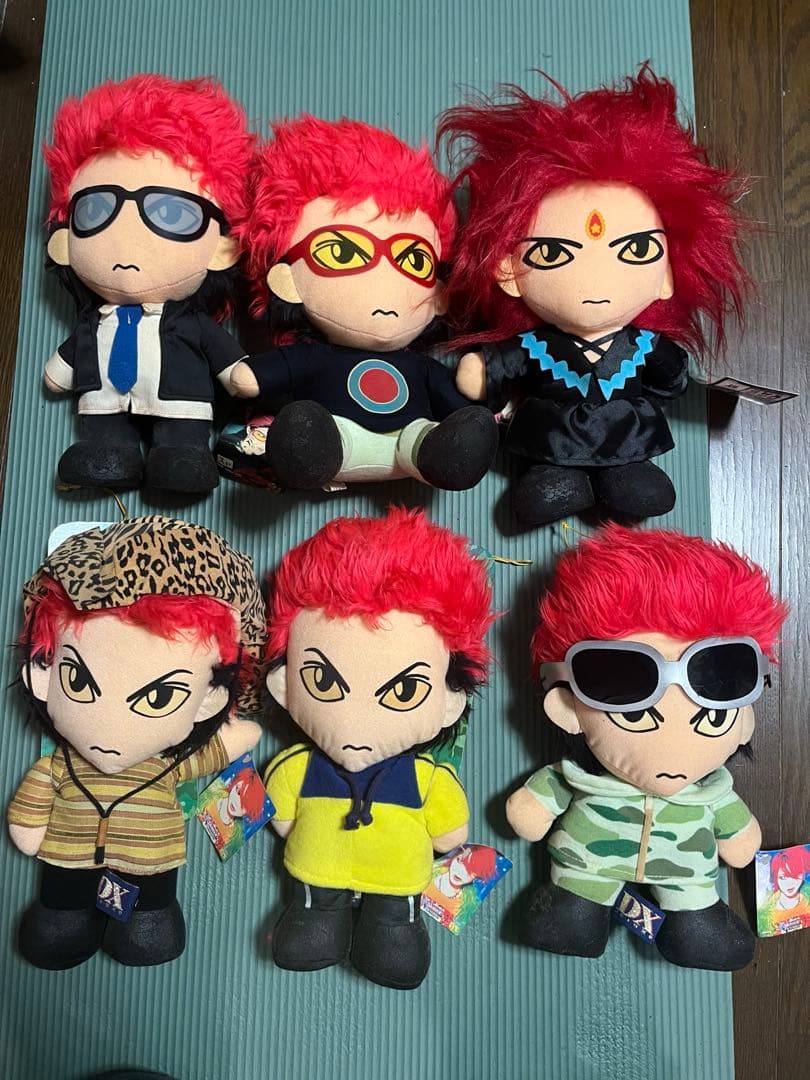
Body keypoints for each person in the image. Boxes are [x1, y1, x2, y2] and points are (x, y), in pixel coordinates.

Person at [439, 67, 748, 524]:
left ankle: (624, 475)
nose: (596, 277)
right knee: (545, 489)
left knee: (638, 488)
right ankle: (557, 478)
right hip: (553, 440)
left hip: (627, 437)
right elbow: (503, 366)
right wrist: (482, 370)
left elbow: (672, 378)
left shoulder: (643, 344)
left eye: (636, 250)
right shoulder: (535, 345)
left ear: (666, 277)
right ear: (508, 271)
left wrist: (679, 372)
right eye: (552, 253)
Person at [506, 524, 787, 970]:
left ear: (743, 722)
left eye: (712, 704)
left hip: (687, 873)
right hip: (586, 866)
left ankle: (694, 917)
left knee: (698, 914)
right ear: (566, 707)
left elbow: (739, 843)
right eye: (629, 696)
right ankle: (576, 907)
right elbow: (536, 806)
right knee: (570, 911)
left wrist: (740, 838)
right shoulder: (576, 777)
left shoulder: (712, 795)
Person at [7, 517, 266, 969]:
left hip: (150, 867)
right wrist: (27, 826)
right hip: (68, 860)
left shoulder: (166, 765)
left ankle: (147, 920)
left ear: (208, 699)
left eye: (162, 696)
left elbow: (207, 756)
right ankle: (65, 918)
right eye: (77, 680)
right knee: (60, 916)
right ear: (44, 674)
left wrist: (237, 738)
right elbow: (35, 799)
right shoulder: (61, 765)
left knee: (149, 924)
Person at [262, 508, 494, 988]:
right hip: (326, 866)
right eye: (321, 680)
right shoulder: (301, 764)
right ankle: (323, 924)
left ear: (450, 702)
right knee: (315, 907)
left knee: (394, 926)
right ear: (285, 684)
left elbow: (283, 817)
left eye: (405, 690)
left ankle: (389, 934)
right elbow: (449, 833)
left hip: (384, 872)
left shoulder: (423, 775)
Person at [228, 115, 498, 491]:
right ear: (286, 280)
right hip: (335, 436)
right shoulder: (315, 357)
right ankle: (314, 452)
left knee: (427, 436)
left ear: (439, 295)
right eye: (342, 252)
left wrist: (474, 420)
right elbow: (251, 378)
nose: (386, 279)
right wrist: (248, 378)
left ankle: (436, 455)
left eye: (414, 260)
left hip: (411, 440)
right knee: (312, 428)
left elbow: (461, 408)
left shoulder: (421, 367)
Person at [42, 75, 255, 494]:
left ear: (221, 248)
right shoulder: (93, 324)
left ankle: (182, 457)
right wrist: (58, 373)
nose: (128, 236)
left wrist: (241, 376)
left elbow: (229, 363)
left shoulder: (192, 325)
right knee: (104, 437)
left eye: (172, 214)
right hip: (104, 404)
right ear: (64, 242)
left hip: (181, 404)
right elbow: (60, 371)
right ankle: (109, 452)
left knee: (182, 454)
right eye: (96, 209)